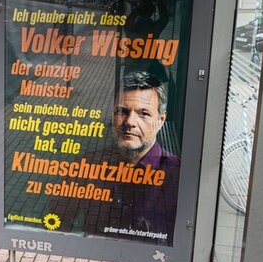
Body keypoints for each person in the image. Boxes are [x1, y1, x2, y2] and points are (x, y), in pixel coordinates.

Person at [49, 71, 180, 246]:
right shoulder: (86, 166)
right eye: (122, 111)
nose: (130, 122)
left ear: (161, 120)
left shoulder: (177, 175)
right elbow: (55, 225)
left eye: (143, 114)